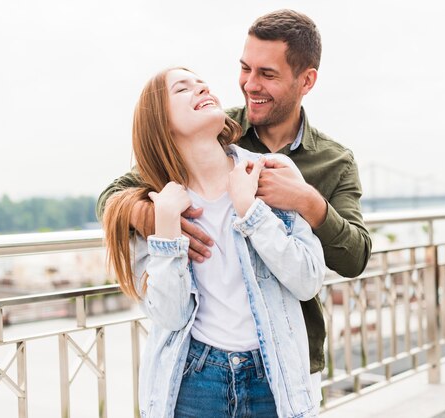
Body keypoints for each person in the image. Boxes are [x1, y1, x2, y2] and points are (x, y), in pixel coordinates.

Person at [97, 9, 372, 399]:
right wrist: (159, 219)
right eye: (246, 68)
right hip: (202, 368)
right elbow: (113, 196)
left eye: (268, 74)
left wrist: (306, 201)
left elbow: (354, 257)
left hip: (291, 359)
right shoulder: (211, 130)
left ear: (306, 80)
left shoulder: (334, 161)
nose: (249, 84)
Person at [103, 67, 326, 417]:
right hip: (193, 382)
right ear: (160, 122)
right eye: (182, 88)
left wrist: (251, 211)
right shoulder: (155, 204)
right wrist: (165, 232)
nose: (201, 87)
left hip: (273, 377)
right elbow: (170, 316)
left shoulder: (270, 171)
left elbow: (308, 279)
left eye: (201, 82)